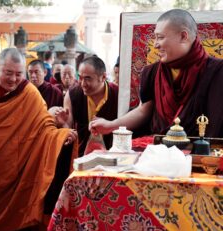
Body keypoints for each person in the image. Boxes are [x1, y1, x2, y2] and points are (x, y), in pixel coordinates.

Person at [0, 47, 77, 231]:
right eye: (8, 73)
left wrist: (61, 134)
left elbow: (43, 127)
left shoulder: (29, 93)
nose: (14, 79)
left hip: (15, 172)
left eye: (19, 74)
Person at [90, 9, 223, 138]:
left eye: (160, 37)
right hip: (160, 149)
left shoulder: (216, 71)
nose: (155, 45)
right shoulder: (152, 72)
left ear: (183, 36)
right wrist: (111, 125)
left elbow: (216, 121)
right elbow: (143, 110)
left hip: (201, 152)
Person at [54, 56, 118, 156]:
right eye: (80, 78)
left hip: (112, 154)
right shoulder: (72, 94)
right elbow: (69, 129)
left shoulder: (117, 94)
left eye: (88, 78)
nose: (83, 84)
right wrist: (63, 124)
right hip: (82, 155)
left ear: (103, 77)